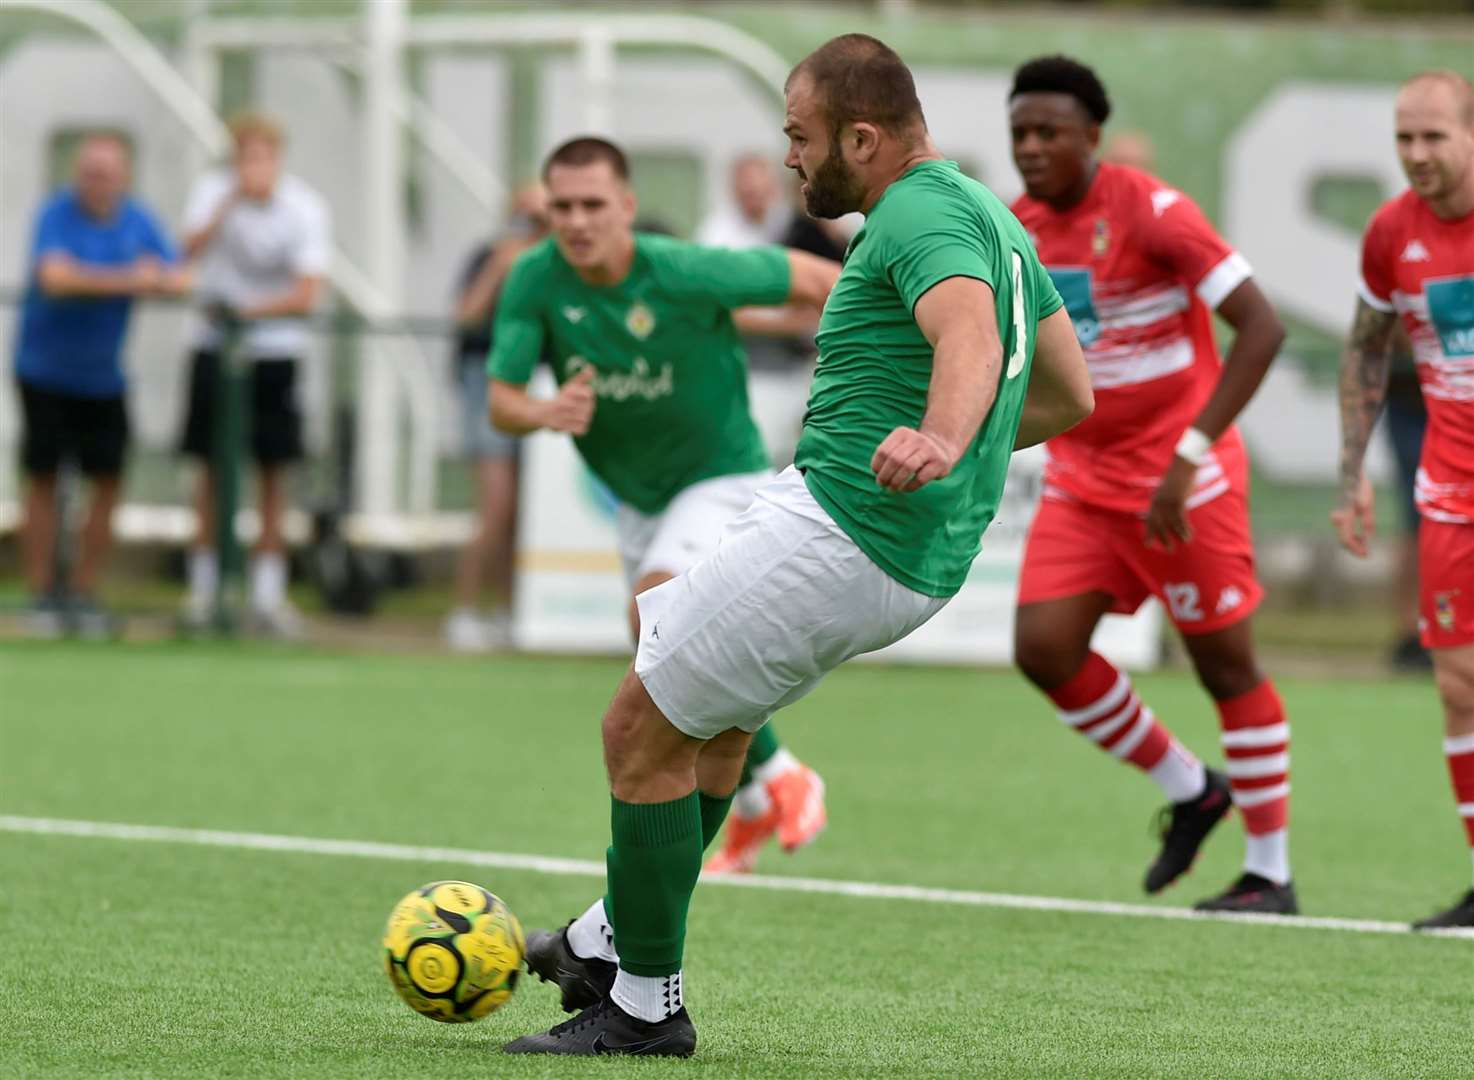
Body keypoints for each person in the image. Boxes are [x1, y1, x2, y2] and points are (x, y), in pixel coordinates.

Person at [500, 34, 1092, 1057]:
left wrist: (944, 436)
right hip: (901, 554)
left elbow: (973, 338)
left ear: (860, 139)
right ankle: (608, 939)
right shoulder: (988, 217)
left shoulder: (916, 214)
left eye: (799, 135)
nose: (787, 157)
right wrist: (968, 444)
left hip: (843, 530)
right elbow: (1067, 391)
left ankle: (644, 1003)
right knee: (715, 734)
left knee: (635, 732)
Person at [487, 137, 835, 879]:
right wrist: (544, 411)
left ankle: (781, 777)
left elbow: (812, 276)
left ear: (627, 207)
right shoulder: (534, 279)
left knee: (656, 618)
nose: (577, 221)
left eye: (592, 205)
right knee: (668, 660)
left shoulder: (680, 267)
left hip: (722, 474)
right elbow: (501, 401)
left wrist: (893, 339)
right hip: (641, 499)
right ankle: (750, 804)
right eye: (562, 208)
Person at [1007, 56, 1294, 914]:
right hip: (1084, 483)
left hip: (1182, 485)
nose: (1031, 147)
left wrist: (1192, 454)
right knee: (1044, 650)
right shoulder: (1015, 229)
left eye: (1049, 132)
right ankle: (1193, 786)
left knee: (1226, 666)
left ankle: (1270, 874)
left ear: (1091, 137)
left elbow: (1262, 327)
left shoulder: (1153, 212)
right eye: (1020, 132)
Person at [1333, 70, 1474, 930]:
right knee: (1458, 686)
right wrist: (1351, 470)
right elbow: (1363, 351)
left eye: (1434, 137)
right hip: (1451, 491)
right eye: (1404, 139)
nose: (1417, 156)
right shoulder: (1392, 233)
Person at [12, 131, 188, 637]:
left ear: (123, 178)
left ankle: (85, 593)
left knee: (107, 480)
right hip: (43, 369)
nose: (97, 182)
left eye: (106, 174)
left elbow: (179, 277)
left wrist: (145, 277)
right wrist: (132, 279)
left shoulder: (138, 219)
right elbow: (56, 279)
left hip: (103, 377)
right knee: (43, 478)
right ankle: (43, 595)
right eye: (89, 172)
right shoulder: (56, 213)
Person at [178, 111, 332, 637]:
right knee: (211, 473)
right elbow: (185, 254)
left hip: (275, 357)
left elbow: (307, 291)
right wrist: (229, 205)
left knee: (273, 474)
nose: (255, 166)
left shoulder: (305, 207)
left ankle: (268, 596)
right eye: (245, 154)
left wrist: (245, 313)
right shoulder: (210, 194)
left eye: (264, 154)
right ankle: (203, 593)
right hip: (213, 353)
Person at [442, 183, 549, 653]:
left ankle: (511, 610)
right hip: (485, 381)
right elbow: (463, 316)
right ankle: (465, 610)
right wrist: (498, 269)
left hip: (541, 386)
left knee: (525, 510)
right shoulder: (490, 255)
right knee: (496, 504)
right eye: (524, 216)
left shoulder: (558, 264)